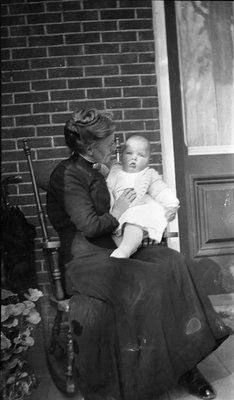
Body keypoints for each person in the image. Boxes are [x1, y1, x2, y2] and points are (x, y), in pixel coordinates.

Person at [46, 108, 230, 400]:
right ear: (90, 146)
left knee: (174, 262)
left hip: (110, 247)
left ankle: (186, 363)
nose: (114, 146)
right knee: (149, 282)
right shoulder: (67, 175)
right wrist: (118, 210)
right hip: (83, 260)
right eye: (109, 142)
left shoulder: (97, 168)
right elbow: (90, 226)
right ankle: (158, 371)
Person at [106, 135, 180, 258]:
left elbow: (161, 190)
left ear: (148, 161)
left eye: (141, 155)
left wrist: (171, 205)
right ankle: (123, 254)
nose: (134, 158)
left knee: (133, 225)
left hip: (137, 210)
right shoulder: (115, 171)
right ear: (122, 155)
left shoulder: (148, 174)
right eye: (129, 153)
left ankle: (125, 249)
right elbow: (107, 185)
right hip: (118, 211)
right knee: (114, 234)